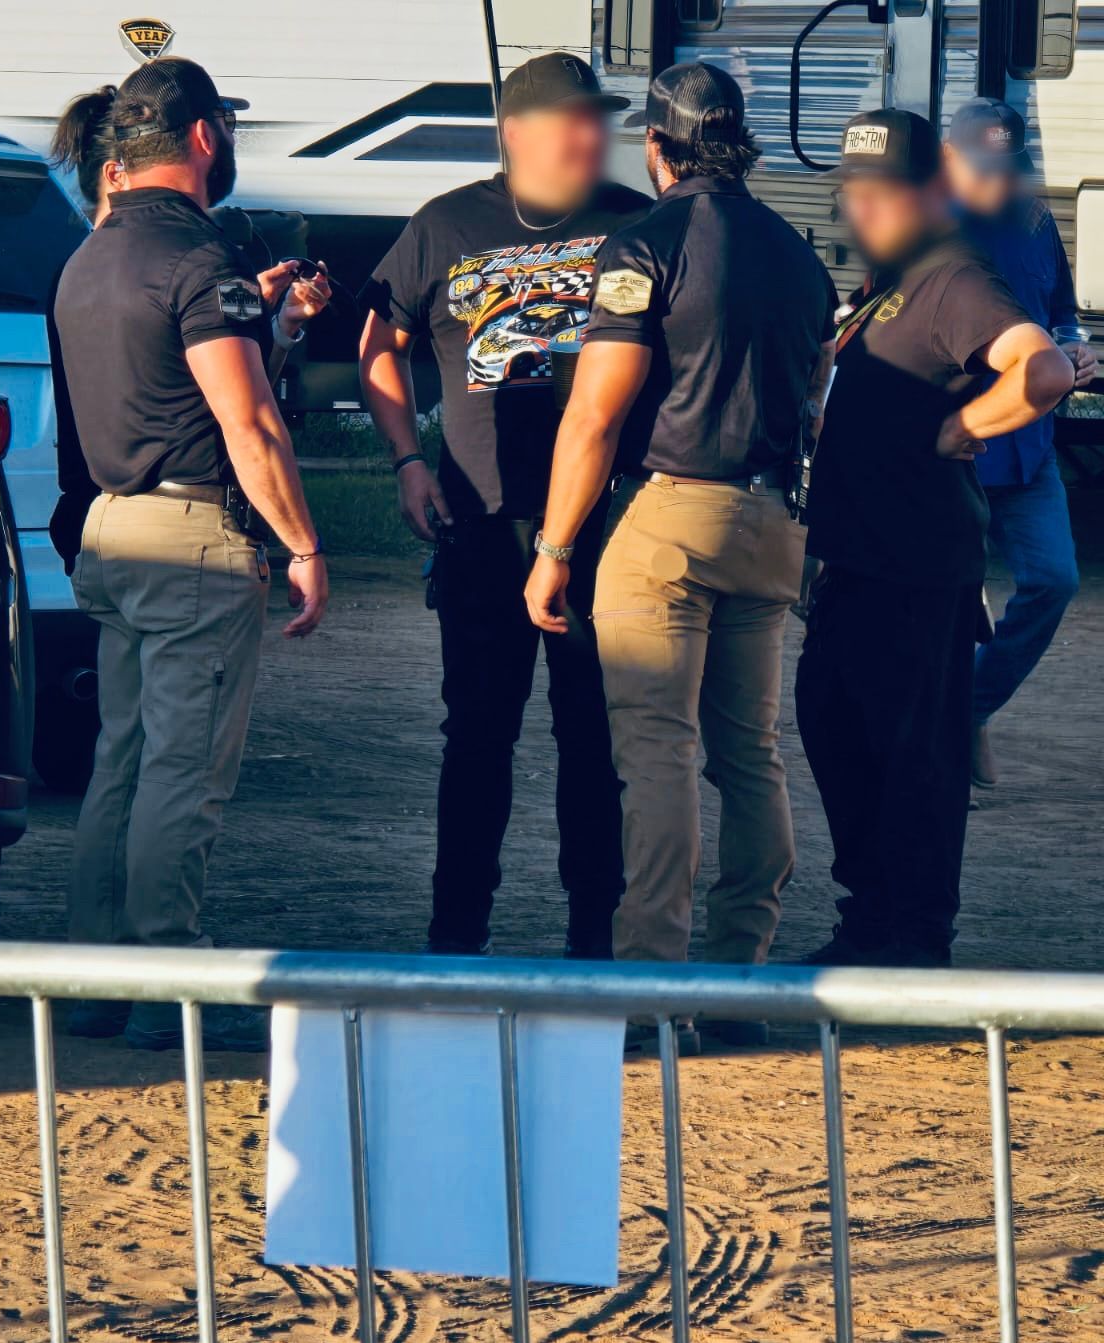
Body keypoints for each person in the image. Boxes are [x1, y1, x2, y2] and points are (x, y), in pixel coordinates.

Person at [525, 62, 836, 1048]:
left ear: (658, 147)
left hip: (671, 518)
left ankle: (652, 989)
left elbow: (594, 415)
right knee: (752, 753)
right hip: (773, 518)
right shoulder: (797, 252)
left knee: (657, 754)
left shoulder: (650, 242)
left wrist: (554, 546)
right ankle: (740, 979)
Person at [54, 57, 331, 1050]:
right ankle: (174, 970)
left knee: (119, 762)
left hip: (113, 528)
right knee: (182, 769)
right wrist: (302, 542)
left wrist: (275, 327)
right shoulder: (198, 262)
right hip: (191, 542)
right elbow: (247, 425)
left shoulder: (89, 256)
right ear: (205, 137)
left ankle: (97, 978)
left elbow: (178, 393)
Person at [359, 53, 649, 959]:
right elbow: (380, 341)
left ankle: (594, 943)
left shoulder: (637, 224)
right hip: (481, 524)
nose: (596, 135)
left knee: (594, 742)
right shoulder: (447, 224)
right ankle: (456, 940)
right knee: (476, 738)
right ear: (517, 131)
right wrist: (408, 459)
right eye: (577, 118)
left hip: (600, 529)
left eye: (602, 119)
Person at [796, 109, 1073, 968]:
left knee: (913, 766)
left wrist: (968, 424)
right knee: (834, 730)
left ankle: (912, 949)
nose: (866, 206)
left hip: (916, 574)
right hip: (856, 567)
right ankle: (870, 921)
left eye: (887, 191)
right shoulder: (886, 284)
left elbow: (1045, 367)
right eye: (855, 191)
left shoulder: (951, 275)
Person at [943, 98, 1098, 788]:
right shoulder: (927, 231)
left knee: (1054, 579)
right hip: (954, 448)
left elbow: (1061, 312)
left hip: (1028, 448)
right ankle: (942, 748)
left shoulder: (1034, 222)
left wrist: (1077, 349)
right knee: (948, 601)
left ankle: (963, 710)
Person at [47, 85, 124, 573]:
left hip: (87, 511)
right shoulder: (123, 271)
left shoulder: (74, 268)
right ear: (116, 173)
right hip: (121, 511)